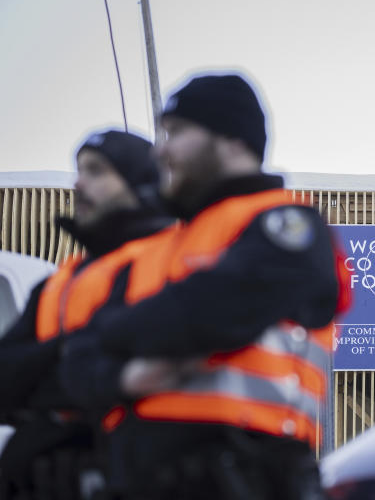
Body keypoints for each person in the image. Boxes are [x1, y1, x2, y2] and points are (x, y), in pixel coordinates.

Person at [58, 72, 349, 499]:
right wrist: (125, 373)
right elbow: (76, 362)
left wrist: (118, 339)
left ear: (232, 141)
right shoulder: (162, 247)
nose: (162, 150)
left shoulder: (288, 225)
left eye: (176, 132)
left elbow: (211, 311)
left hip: (249, 479)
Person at [0, 130, 173, 499]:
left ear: (137, 182)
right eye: (78, 170)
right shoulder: (61, 280)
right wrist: (67, 355)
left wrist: (47, 372)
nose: (78, 183)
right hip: (42, 476)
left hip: (136, 474)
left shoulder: (172, 264)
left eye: (97, 171)